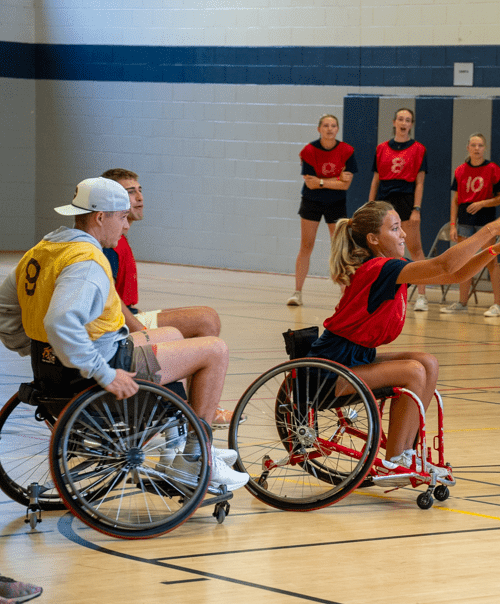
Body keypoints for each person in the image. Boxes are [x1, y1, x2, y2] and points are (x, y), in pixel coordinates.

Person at [0, 177, 248, 491]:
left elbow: (5, 307)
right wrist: (102, 372)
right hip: (101, 366)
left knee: (171, 334)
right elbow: (60, 321)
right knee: (215, 350)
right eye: (123, 217)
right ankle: (197, 458)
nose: (127, 225)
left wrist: (38, 347)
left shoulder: (43, 250)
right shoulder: (86, 262)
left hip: (55, 368)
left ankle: (175, 447)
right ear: (100, 217)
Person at [309, 201, 500, 477]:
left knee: (427, 362)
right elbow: (445, 262)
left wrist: (492, 249)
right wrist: (489, 230)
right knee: (413, 372)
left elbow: (454, 274)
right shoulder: (380, 268)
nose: (403, 234)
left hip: (355, 357)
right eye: (395, 228)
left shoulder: (392, 267)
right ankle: (394, 460)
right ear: (373, 239)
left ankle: (406, 452)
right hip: (330, 369)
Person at [101, 168, 235, 429]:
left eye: (140, 190)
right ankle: (198, 418)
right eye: (130, 192)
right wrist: (140, 330)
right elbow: (111, 300)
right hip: (123, 324)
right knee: (206, 327)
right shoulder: (109, 245)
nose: (139, 197)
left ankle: (195, 406)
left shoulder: (120, 237)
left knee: (205, 317)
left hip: (129, 314)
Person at [287, 115, 357, 307]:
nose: (329, 129)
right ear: (319, 129)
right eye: (325, 125)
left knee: (339, 247)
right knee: (306, 246)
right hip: (312, 201)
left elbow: (345, 186)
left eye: (333, 125)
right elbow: (310, 184)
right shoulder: (309, 151)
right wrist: (336, 179)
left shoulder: (347, 151)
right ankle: (297, 292)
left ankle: (345, 292)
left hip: (336, 202)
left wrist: (321, 181)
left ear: (337, 129)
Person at [368, 108, 429, 311]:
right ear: (394, 122)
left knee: (415, 247)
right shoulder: (381, 148)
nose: (404, 123)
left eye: (408, 120)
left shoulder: (419, 149)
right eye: (401, 119)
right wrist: (370, 204)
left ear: (411, 125)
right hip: (384, 199)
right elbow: (375, 179)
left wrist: (416, 208)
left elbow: (420, 182)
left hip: (406, 199)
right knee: (381, 248)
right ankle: (383, 290)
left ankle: (421, 295)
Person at [441, 133, 500, 317]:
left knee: (491, 260)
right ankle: (462, 302)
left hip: (485, 221)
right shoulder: (461, 170)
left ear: (484, 148)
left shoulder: (492, 169)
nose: (476, 148)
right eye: (473, 145)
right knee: (463, 261)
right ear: (468, 148)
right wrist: (453, 225)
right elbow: (455, 200)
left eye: (480, 145)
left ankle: (498, 305)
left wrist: (482, 203)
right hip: (464, 221)